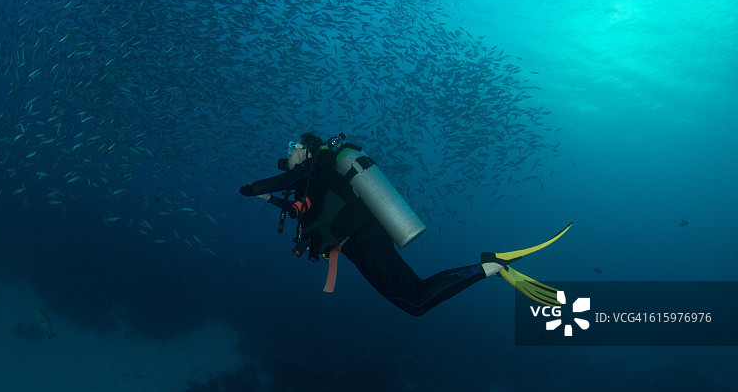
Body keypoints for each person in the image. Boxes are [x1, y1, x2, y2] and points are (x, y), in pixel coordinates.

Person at [239, 132, 569, 316]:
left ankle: (491, 267)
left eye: (293, 148)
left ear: (308, 151)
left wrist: (250, 189)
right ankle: (489, 267)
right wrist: (267, 199)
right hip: (363, 239)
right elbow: (303, 208)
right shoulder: (313, 178)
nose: (288, 153)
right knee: (416, 294)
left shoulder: (317, 165)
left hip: (361, 240)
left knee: (415, 302)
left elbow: (285, 179)